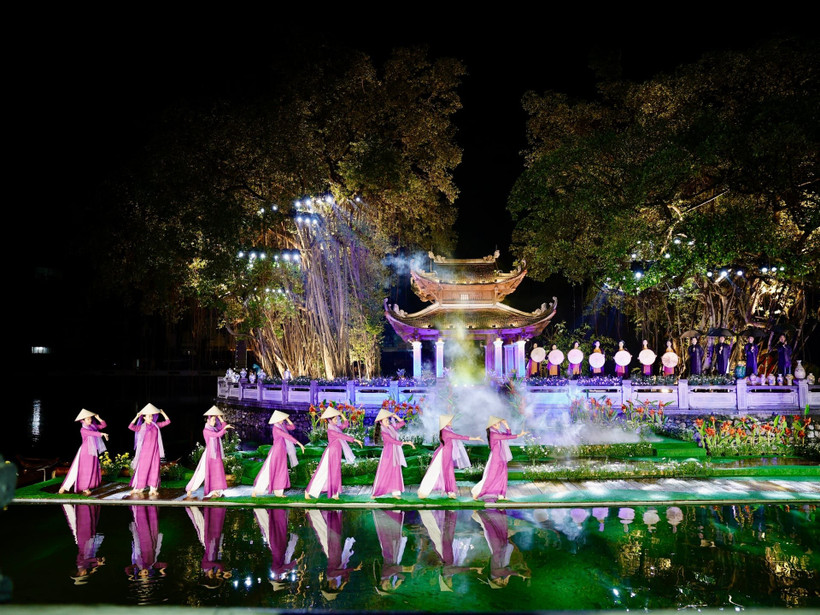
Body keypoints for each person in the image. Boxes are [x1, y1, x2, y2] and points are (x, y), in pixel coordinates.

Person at [418, 415, 481, 499]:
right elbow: (459, 437)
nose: (451, 422)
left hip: (445, 453)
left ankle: (449, 491)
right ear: (445, 423)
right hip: (444, 454)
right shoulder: (446, 432)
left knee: (445, 472)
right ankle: (425, 491)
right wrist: (474, 438)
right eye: (449, 421)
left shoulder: (447, 430)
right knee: (438, 472)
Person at [305, 408, 362, 500]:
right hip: (331, 453)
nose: (337, 420)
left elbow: (345, 424)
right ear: (330, 420)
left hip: (336, 453)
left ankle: (335, 493)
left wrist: (341, 414)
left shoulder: (336, 428)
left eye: (337, 419)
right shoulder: (331, 430)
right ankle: (308, 491)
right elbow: (342, 436)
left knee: (335, 472)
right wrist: (355, 440)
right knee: (322, 472)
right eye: (335, 419)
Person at [471, 417, 526, 501]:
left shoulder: (498, 432)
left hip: (501, 458)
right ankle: (477, 492)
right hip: (495, 459)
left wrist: (506, 424)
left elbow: (508, 434)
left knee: (503, 476)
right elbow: (507, 437)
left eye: (499, 423)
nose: (498, 425)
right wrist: (519, 435)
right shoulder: (494, 434)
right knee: (491, 477)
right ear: (491, 426)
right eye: (495, 424)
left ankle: (501, 495)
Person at [253, 410, 305, 497]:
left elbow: (292, 427)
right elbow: (287, 436)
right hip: (276, 452)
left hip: (282, 451)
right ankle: (256, 491)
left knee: (281, 470)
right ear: (277, 419)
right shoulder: (276, 429)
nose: (282, 420)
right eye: (281, 419)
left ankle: (278, 492)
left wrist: (287, 418)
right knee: (269, 471)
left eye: (282, 419)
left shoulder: (282, 426)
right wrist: (299, 444)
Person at [186, 406, 235, 499]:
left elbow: (222, 426)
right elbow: (217, 435)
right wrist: (225, 428)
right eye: (212, 420)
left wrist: (219, 417)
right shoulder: (206, 431)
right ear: (208, 421)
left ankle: (216, 491)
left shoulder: (214, 428)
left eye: (215, 420)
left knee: (217, 471)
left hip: (216, 454)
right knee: (202, 472)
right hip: (209, 454)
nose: (214, 422)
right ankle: (190, 489)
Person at [60, 410, 109, 496]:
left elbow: (104, 425)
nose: (90, 420)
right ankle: (67, 487)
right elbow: (93, 433)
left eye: (90, 418)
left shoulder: (93, 426)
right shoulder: (83, 430)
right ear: (83, 420)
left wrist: (98, 418)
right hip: (85, 451)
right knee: (80, 469)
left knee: (90, 469)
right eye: (88, 419)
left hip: (92, 451)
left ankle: (86, 487)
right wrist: (102, 434)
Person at [128, 403, 171, 497]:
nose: (151, 418)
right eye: (149, 416)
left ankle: (153, 489)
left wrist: (162, 413)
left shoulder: (156, 425)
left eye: (152, 416)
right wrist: (136, 417)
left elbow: (168, 421)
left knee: (154, 469)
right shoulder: (141, 427)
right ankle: (139, 487)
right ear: (144, 417)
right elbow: (130, 426)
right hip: (145, 452)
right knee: (143, 469)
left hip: (155, 451)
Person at [371, 408, 415, 498]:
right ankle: (376, 492)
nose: (387, 422)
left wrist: (395, 416)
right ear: (381, 422)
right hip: (388, 454)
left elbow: (402, 423)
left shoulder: (391, 427)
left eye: (388, 420)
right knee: (384, 472)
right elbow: (393, 441)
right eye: (385, 420)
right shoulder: (384, 432)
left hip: (395, 453)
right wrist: (407, 443)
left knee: (395, 471)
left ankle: (395, 493)